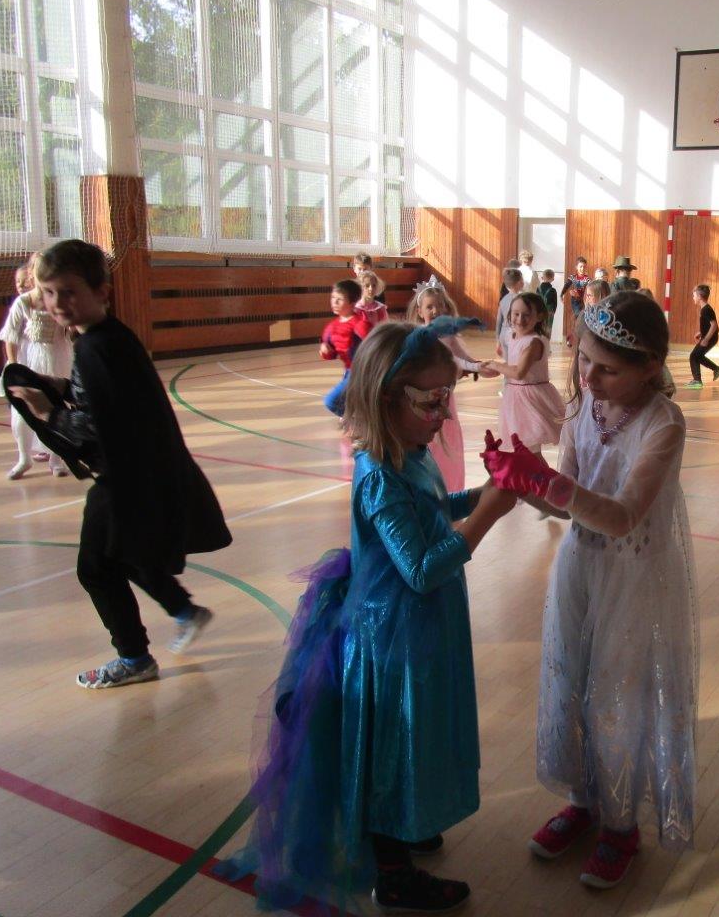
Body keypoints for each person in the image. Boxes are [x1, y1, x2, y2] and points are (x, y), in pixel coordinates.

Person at [218, 319, 517, 913]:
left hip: (419, 626)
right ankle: (393, 870)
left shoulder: (412, 455)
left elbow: (434, 510)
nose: (442, 413)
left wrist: (489, 491)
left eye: (447, 397)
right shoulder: (379, 474)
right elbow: (421, 569)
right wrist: (488, 515)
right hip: (393, 638)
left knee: (417, 736)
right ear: (385, 399)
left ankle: (407, 820)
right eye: (429, 401)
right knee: (393, 746)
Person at [480, 291, 697, 888]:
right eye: (583, 361)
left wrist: (551, 485)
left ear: (650, 367)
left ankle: (620, 824)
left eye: (607, 369)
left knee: (616, 699)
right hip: (579, 567)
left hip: (633, 578)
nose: (589, 378)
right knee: (572, 684)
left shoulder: (663, 423)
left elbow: (623, 515)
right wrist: (523, 482)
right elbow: (566, 506)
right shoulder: (580, 413)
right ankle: (582, 800)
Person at [4, 239, 230, 689]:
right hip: (143, 473)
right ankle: (182, 611)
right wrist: (57, 387)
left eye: (69, 291)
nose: (57, 302)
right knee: (124, 552)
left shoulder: (97, 348)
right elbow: (103, 397)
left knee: (96, 567)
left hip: (127, 479)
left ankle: (134, 657)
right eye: (48, 292)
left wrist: (47, 412)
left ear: (100, 292)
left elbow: (97, 425)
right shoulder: (107, 339)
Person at [407, 277, 494, 493]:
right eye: (430, 307)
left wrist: (484, 367)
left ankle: (450, 490)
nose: (436, 310)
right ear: (420, 311)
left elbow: (466, 359)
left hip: (446, 402)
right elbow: (450, 361)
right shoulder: (419, 336)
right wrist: (471, 367)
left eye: (440, 305)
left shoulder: (449, 336)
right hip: (425, 404)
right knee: (429, 445)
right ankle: (426, 490)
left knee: (449, 446)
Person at [0, 256, 73, 479]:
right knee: (22, 410)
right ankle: (24, 457)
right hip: (30, 360)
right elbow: (10, 336)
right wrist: (14, 365)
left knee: (56, 408)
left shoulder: (59, 299)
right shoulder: (23, 302)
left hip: (57, 359)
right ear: (33, 274)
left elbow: (71, 329)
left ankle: (56, 458)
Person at [485, 292, 565, 459]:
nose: (520, 319)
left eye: (526, 315)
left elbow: (519, 372)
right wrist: (497, 369)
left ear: (539, 316)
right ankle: (536, 475)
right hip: (515, 398)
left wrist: (496, 365)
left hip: (530, 401)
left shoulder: (534, 342)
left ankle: (543, 476)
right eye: (516, 314)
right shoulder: (512, 336)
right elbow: (512, 366)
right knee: (526, 452)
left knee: (530, 453)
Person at [320, 279, 373, 418]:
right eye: (333, 297)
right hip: (349, 372)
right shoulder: (332, 327)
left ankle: (355, 422)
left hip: (361, 372)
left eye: (340, 299)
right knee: (349, 403)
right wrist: (326, 351)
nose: (334, 302)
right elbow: (332, 353)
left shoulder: (360, 325)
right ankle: (356, 421)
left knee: (331, 401)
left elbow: (376, 346)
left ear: (352, 302)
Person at [685, 283, 719, 389]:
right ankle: (716, 369)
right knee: (698, 356)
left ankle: (697, 381)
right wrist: (701, 333)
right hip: (710, 337)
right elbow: (708, 325)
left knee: (693, 356)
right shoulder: (704, 309)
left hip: (710, 338)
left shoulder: (706, 310)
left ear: (699, 297)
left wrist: (706, 339)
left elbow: (714, 325)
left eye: (694, 296)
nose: (693, 298)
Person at [495, 267, 526, 360]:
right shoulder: (522, 299)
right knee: (516, 363)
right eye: (522, 279)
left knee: (508, 362)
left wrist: (498, 341)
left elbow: (499, 321)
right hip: (515, 334)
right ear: (519, 283)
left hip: (503, 334)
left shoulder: (503, 300)